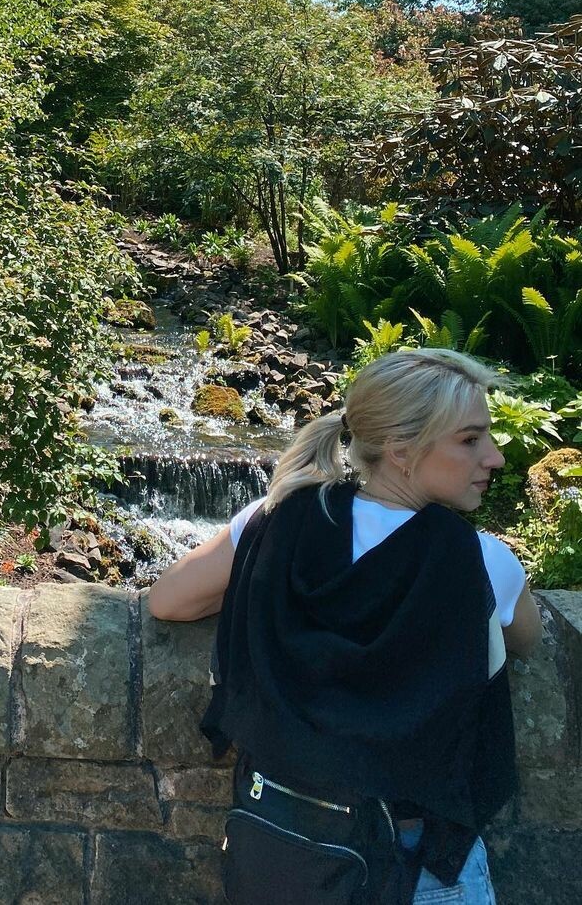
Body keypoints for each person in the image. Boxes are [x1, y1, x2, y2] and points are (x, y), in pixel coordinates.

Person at [147, 347, 542, 905]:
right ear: (401, 451)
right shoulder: (481, 561)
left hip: (283, 847)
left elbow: (168, 600)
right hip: (418, 864)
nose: (495, 457)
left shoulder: (275, 520)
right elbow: (528, 638)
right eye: (470, 439)